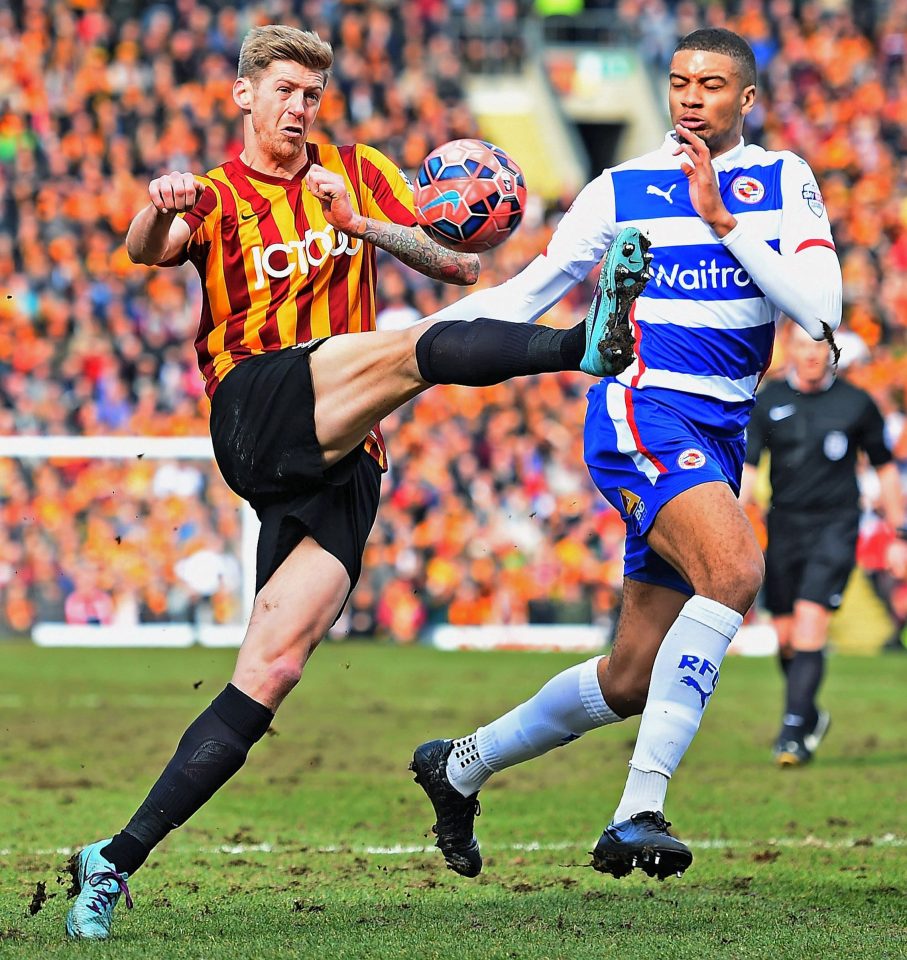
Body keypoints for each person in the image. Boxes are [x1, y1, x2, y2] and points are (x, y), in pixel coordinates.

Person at [64, 24, 650, 940]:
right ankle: (581, 347)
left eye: (313, 94)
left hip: (341, 454)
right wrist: (157, 200)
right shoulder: (218, 194)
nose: (300, 108)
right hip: (257, 406)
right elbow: (148, 246)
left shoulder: (358, 173)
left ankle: (112, 860)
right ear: (244, 96)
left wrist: (360, 225)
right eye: (286, 91)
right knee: (407, 352)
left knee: (272, 669)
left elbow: (458, 264)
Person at [409, 27, 844, 882]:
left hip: (718, 433)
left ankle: (458, 764)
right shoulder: (621, 189)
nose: (690, 97)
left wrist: (726, 221)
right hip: (642, 414)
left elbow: (820, 311)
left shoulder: (782, 180)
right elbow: (531, 291)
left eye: (711, 85)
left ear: (745, 100)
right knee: (734, 572)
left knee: (629, 678)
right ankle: (637, 809)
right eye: (679, 81)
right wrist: (403, 346)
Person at [740, 324, 907, 766]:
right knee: (787, 638)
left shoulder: (857, 404)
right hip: (784, 528)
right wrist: (732, 520)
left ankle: (792, 733)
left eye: (819, 346)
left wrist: (900, 534)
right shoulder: (769, 401)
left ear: (831, 353)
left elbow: (886, 470)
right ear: (789, 350)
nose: (811, 355)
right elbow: (749, 471)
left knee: (812, 622)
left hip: (836, 526)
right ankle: (810, 715)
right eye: (802, 345)